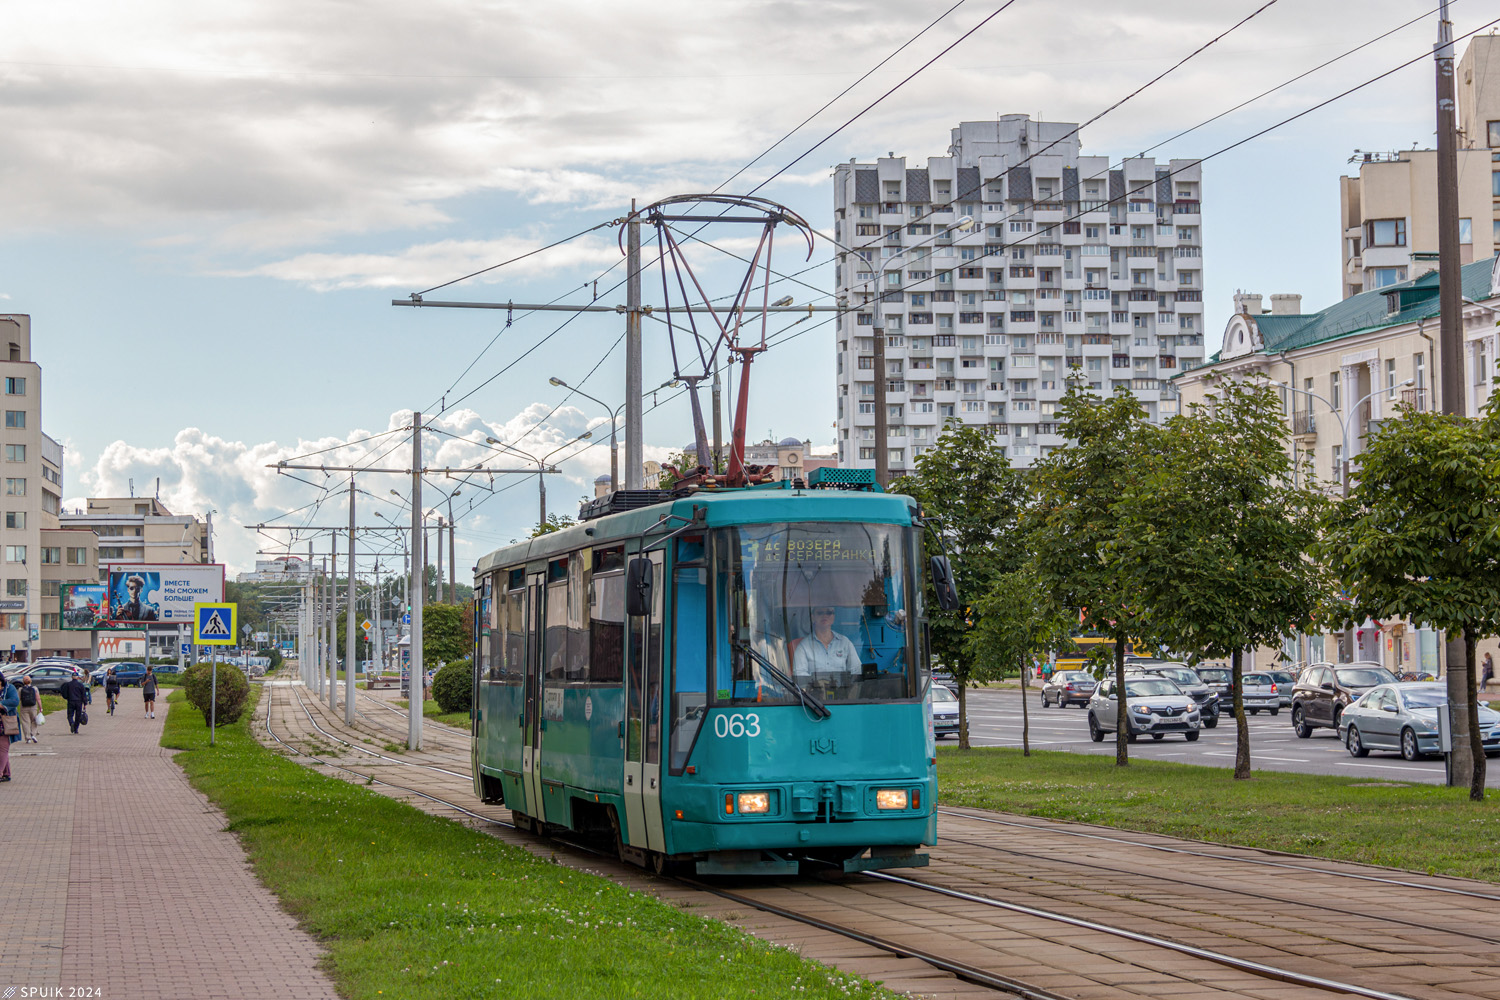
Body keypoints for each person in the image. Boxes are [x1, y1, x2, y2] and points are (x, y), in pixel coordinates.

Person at [792, 605, 860, 682]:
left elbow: (856, 671)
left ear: (833, 617)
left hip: (843, 692)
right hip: (813, 693)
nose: (824, 616)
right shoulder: (803, 646)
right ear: (813, 617)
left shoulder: (845, 643)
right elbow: (799, 676)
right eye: (820, 613)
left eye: (829, 612)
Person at [0, 675, 17, 780]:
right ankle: (6, 773)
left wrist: (1, 704)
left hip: (5, 723)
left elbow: (15, 701)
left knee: (2, 748)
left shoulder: (9, 688)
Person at [15, 675, 40, 742]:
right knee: (34, 721)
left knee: (25, 722)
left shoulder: (20, 689)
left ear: (23, 682)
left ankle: (28, 737)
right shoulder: (35, 688)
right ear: (30, 681)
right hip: (33, 707)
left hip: (24, 707)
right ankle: (33, 735)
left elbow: (18, 699)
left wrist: (15, 707)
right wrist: (40, 708)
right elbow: (38, 699)